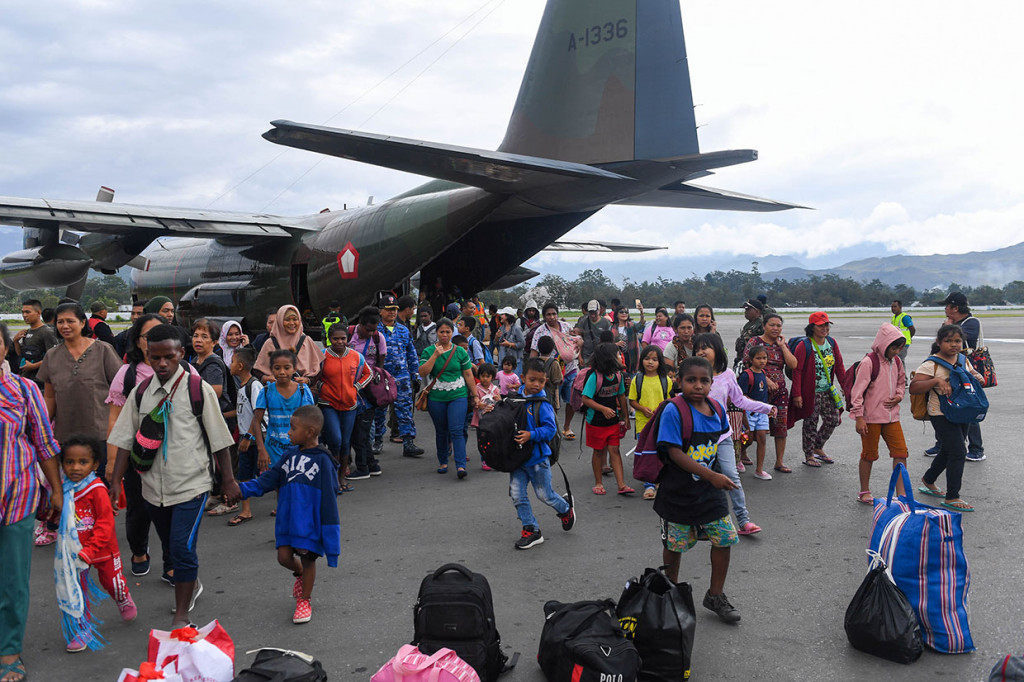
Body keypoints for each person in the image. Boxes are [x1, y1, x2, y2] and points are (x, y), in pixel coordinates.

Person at [108, 323, 239, 629]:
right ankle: (189, 581)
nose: (162, 363)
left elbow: (219, 438)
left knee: (181, 546)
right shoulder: (141, 392)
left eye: (169, 356)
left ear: (182, 353)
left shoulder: (197, 388)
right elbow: (125, 438)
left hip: (191, 485)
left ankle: (182, 615)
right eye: (156, 358)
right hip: (152, 488)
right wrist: (115, 479)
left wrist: (229, 480)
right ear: (147, 355)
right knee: (172, 545)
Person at [654, 356, 741, 623]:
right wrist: (711, 475)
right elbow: (673, 451)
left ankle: (715, 595)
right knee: (675, 545)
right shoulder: (673, 410)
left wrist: (724, 472)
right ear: (679, 381)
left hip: (709, 492)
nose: (698, 386)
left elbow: (720, 442)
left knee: (725, 538)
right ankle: (668, 594)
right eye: (691, 380)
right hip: (677, 492)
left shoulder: (716, 408)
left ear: (712, 383)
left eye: (704, 381)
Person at [0, 321, 63, 682]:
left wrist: (55, 489)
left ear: (7, 347)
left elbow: (44, 443)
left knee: (13, 581)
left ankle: (9, 650)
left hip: (16, 498)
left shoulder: (24, 390)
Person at [239, 406, 340, 624]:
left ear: (310, 432)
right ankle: (300, 574)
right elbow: (268, 480)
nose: (288, 433)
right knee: (283, 557)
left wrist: (329, 535)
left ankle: (305, 599)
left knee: (308, 558)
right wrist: (241, 490)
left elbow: (330, 500)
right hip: (287, 520)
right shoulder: (288, 456)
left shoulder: (323, 460)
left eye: (293, 428)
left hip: (309, 524)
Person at [57, 437, 136, 653]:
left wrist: (90, 550)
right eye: (69, 462)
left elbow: (105, 523)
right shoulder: (63, 489)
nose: (75, 467)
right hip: (75, 552)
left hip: (102, 549)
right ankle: (81, 629)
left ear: (94, 464)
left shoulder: (96, 489)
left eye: (83, 462)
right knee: (77, 591)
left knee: (112, 583)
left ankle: (122, 599)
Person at [104, 313, 166, 577]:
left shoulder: (186, 370)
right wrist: (111, 461)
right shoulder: (127, 374)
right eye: (147, 336)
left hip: (174, 456)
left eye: (160, 333)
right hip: (137, 457)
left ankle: (174, 562)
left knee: (172, 513)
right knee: (138, 512)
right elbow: (115, 422)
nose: (154, 341)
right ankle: (139, 551)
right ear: (137, 341)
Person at [694, 333, 772, 536]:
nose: (701, 351)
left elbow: (740, 401)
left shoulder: (727, 375)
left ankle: (744, 520)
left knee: (731, 475)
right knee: (698, 478)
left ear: (717, 350)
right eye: (698, 347)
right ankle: (698, 521)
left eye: (706, 347)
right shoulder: (692, 374)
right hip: (696, 438)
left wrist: (766, 407)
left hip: (722, 437)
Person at [38, 302, 122, 476]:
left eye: (70, 321)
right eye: (60, 322)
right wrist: (42, 429)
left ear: (83, 323)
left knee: (100, 488)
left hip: (101, 434)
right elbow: (50, 397)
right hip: (65, 436)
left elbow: (120, 392)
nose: (65, 326)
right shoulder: (51, 356)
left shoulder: (103, 351)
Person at [912, 325, 984, 512]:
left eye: (957, 341)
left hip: (963, 412)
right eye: (949, 341)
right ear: (939, 343)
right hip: (941, 414)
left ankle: (928, 480)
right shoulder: (931, 363)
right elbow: (914, 387)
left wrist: (977, 376)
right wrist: (936, 381)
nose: (953, 345)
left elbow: (970, 375)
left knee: (948, 449)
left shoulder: (963, 359)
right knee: (959, 451)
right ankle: (953, 496)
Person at [509, 359, 574, 550]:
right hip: (518, 460)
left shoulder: (543, 405)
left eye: (541, 381)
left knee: (545, 495)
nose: (536, 384)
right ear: (522, 378)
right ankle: (531, 529)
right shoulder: (514, 400)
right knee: (517, 495)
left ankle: (565, 509)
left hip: (538, 459)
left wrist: (531, 435)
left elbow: (550, 430)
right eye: (532, 380)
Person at [849, 324, 908, 504]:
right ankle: (864, 490)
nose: (897, 351)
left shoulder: (897, 362)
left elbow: (901, 382)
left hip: (892, 417)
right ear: (884, 344)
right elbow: (856, 393)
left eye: (899, 348)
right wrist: (859, 417)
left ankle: (902, 493)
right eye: (893, 347)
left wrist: (899, 396)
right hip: (871, 418)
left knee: (901, 453)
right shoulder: (869, 363)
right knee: (869, 454)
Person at [418, 318, 477, 479]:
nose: (444, 335)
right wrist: (435, 356)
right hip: (436, 397)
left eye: (448, 332)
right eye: (441, 332)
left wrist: (476, 396)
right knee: (441, 431)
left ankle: (460, 466)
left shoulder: (460, 351)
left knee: (457, 430)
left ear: (452, 333)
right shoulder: (429, 351)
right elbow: (422, 372)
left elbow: (468, 374)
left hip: (458, 395)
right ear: (437, 333)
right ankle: (443, 461)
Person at [317, 325, 372, 491]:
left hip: (350, 404)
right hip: (328, 404)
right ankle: (332, 478)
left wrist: (356, 387)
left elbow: (368, 374)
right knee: (336, 440)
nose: (340, 342)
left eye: (343, 338)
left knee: (345, 442)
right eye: (335, 339)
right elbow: (314, 375)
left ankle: (342, 478)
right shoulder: (322, 356)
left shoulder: (356, 356)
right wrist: (321, 387)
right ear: (329, 339)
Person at [788, 312, 847, 468]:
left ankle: (817, 446)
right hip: (810, 391)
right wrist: (797, 394)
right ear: (812, 327)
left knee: (833, 419)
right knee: (810, 422)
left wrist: (846, 385)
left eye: (827, 325)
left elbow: (839, 366)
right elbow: (798, 371)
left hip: (827, 390)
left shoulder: (832, 343)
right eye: (821, 325)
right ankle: (809, 454)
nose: (825, 328)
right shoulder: (804, 345)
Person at [742, 313, 798, 473]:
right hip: (757, 390)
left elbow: (793, 364)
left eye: (778, 325)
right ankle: (743, 452)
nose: (775, 328)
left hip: (779, 392)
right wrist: (766, 380)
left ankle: (779, 461)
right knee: (751, 429)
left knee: (781, 425)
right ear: (764, 326)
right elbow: (746, 361)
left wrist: (782, 346)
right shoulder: (755, 341)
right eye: (772, 325)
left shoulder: (781, 344)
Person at [935, 292, 985, 462]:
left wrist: (946, 328)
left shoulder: (971, 323)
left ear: (955, 308)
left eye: (947, 306)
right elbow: (937, 346)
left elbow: (960, 341)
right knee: (944, 407)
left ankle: (976, 448)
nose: (945, 310)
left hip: (965, 374)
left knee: (968, 408)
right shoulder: (953, 323)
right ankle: (942, 444)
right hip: (947, 372)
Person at [252, 349, 316, 474]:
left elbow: (311, 421)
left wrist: (312, 447)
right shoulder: (266, 391)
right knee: (279, 483)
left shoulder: (303, 390)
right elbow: (256, 421)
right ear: (271, 369)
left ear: (294, 368)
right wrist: (261, 449)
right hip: (273, 448)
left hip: (298, 448)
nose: (282, 372)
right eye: (277, 368)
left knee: (295, 481)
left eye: (287, 368)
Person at [580, 342, 632, 496]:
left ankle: (621, 485)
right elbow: (585, 399)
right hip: (596, 421)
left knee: (615, 451)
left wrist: (625, 417)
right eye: (617, 354)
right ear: (609, 358)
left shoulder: (618, 376)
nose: (620, 357)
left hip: (613, 421)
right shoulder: (595, 377)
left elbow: (621, 396)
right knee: (598, 451)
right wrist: (602, 409)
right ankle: (598, 483)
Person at [375, 293, 423, 457]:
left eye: (394, 309)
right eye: (388, 310)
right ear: (381, 311)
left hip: (402, 377)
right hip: (381, 377)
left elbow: (411, 353)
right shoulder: (375, 331)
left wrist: (416, 375)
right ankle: (377, 441)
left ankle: (408, 442)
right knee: (379, 410)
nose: (392, 313)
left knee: (404, 410)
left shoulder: (403, 330)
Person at [531, 303, 581, 441]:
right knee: (553, 402)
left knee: (571, 399)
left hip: (570, 368)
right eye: (548, 314)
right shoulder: (540, 331)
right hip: (551, 372)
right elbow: (534, 352)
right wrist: (532, 373)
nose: (552, 317)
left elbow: (575, 342)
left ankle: (566, 427)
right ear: (544, 316)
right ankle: (554, 428)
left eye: (554, 314)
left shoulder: (565, 327)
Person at [628, 345, 671, 500]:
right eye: (647, 359)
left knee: (662, 451)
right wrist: (642, 408)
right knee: (647, 453)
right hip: (643, 423)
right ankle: (649, 485)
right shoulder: (637, 379)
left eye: (654, 359)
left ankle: (659, 478)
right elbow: (632, 400)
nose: (650, 362)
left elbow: (669, 400)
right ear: (642, 361)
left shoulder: (665, 380)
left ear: (660, 362)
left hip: (661, 422)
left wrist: (661, 410)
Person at [230, 347, 266, 525]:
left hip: (254, 439)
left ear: (241, 366)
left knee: (267, 471)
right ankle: (246, 510)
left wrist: (248, 438)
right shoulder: (243, 386)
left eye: (233, 361)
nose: (230, 364)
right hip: (246, 437)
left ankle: (282, 505)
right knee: (245, 474)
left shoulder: (254, 385)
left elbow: (257, 415)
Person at [350, 306, 388, 456]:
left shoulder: (379, 338)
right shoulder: (347, 334)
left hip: (368, 385)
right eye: (368, 329)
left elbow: (380, 362)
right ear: (360, 323)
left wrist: (375, 381)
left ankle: (366, 454)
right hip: (348, 384)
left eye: (374, 329)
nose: (371, 333)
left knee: (368, 420)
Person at [254, 305, 322, 385]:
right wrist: (265, 378)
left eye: (295, 319)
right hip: (276, 393)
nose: (292, 323)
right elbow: (257, 370)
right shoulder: (270, 343)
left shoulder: (307, 341)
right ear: (279, 321)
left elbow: (318, 368)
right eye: (287, 320)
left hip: (301, 393)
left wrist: (308, 381)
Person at [738, 346, 774, 480]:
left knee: (762, 438)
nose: (762, 361)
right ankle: (738, 456)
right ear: (751, 360)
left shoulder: (763, 373)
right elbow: (741, 396)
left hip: (762, 413)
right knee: (748, 439)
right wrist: (757, 404)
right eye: (758, 358)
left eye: (764, 358)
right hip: (749, 412)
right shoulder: (746, 375)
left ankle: (759, 470)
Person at [12, 298, 58, 388]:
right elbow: (21, 355)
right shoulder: (27, 332)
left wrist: (34, 366)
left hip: (39, 382)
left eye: (28, 312)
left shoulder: (47, 332)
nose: (24, 315)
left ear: (38, 313)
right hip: (25, 379)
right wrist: (16, 341)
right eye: (23, 312)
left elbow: (54, 357)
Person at [575, 300, 611, 366]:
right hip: (586, 355)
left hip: (601, 355)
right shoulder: (583, 321)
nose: (593, 315)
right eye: (591, 313)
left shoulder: (606, 322)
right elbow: (578, 339)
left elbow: (609, 340)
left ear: (599, 310)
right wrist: (579, 357)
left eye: (595, 313)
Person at [534, 335, 564, 412]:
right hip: (550, 396)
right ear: (552, 349)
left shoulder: (534, 361)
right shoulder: (554, 363)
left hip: (535, 394)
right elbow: (557, 380)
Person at [733, 299, 766, 369]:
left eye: (748, 310)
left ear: (757, 311)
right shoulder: (748, 325)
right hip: (742, 358)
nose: (745, 312)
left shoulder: (761, 325)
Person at [493, 307, 526, 373]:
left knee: (514, 381)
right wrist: (496, 337)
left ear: (508, 316)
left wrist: (509, 344)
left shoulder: (516, 328)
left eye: (503, 314)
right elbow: (496, 343)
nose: (500, 316)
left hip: (515, 361)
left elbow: (522, 343)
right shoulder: (501, 328)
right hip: (502, 361)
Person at [612, 306, 643, 374]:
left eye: (626, 312)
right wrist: (616, 344)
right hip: (617, 357)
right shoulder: (612, 327)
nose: (624, 314)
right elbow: (607, 344)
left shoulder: (632, 325)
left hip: (631, 357)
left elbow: (641, 325)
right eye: (621, 312)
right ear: (616, 314)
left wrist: (641, 312)